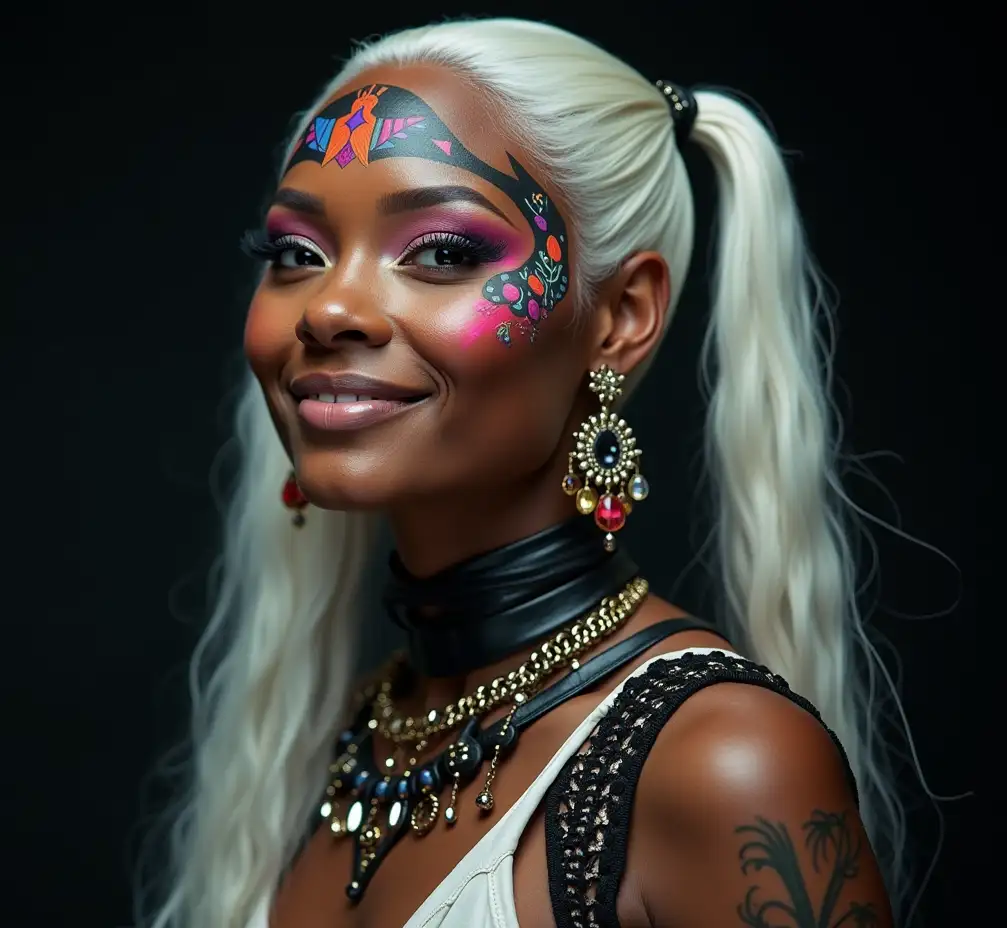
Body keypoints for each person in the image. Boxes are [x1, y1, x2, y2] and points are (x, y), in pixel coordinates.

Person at [140, 16, 903, 928]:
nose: (331, 306)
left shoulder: (721, 762)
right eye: (296, 255)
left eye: (443, 252)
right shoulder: (350, 739)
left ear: (621, 316)